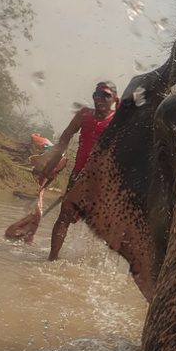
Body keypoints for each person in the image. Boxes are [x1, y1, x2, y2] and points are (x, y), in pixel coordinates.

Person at [34, 80, 119, 262]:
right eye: (97, 93)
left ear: (114, 99)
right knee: (64, 216)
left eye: (106, 95)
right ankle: (51, 261)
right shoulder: (84, 115)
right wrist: (51, 166)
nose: (100, 98)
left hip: (104, 180)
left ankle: (91, 264)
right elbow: (64, 139)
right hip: (79, 175)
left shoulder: (119, 120)